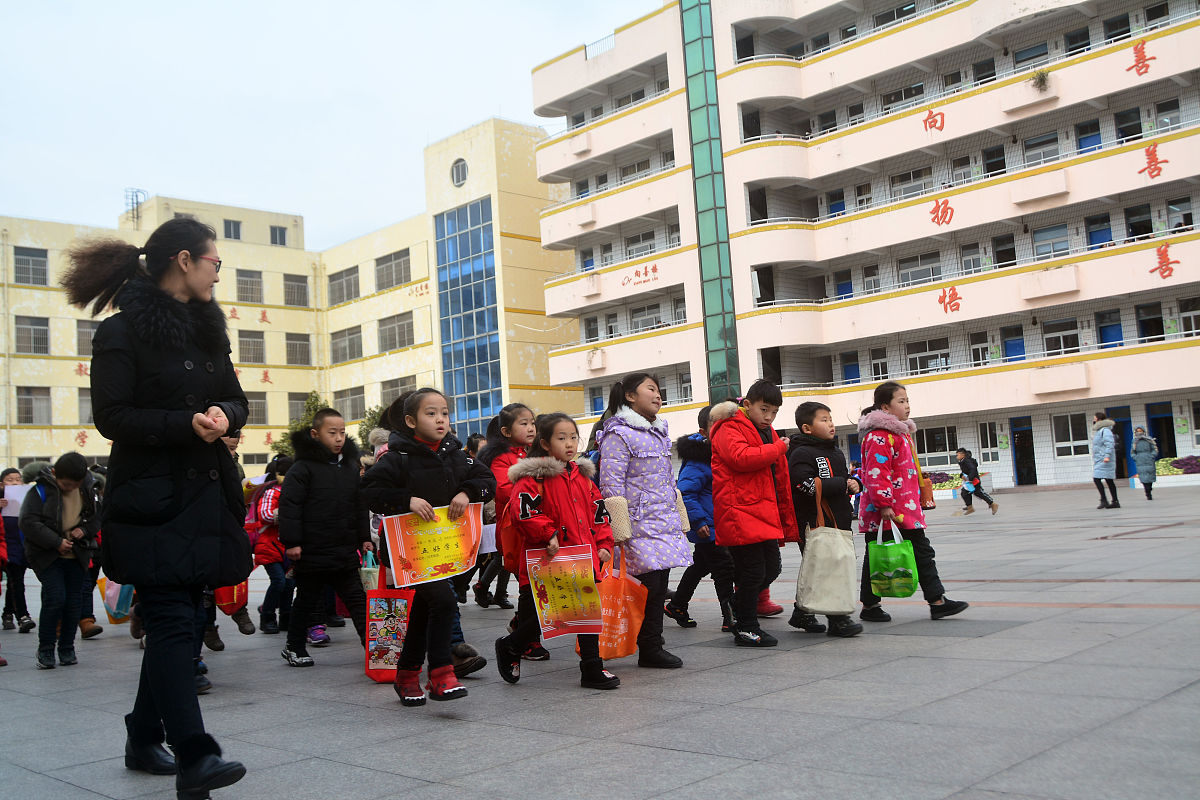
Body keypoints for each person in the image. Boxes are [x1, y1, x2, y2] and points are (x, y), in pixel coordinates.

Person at [64, 217, 248, 795]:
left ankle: (144, 736)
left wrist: (224, 415)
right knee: (171, 618)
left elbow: (236, 398)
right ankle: (196, 755)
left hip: (205, 494)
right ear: (185, 260)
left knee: (187, 620)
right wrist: (183, 424)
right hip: (152, 498)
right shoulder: (121, 332)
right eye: (215, 262)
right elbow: (111, 417)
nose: (218, 274)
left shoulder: (209, 331)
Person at [362, 388, 496, 706]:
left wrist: (466, 492)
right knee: (444, 602)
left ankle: (407, 676)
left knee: (424, 612)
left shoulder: (457, 455)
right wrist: (405, 500)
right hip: (409, 554)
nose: (440, 420)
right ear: (411, 421)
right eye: (431, 413)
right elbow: (368, 491)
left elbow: (487, 481)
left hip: (444, 550)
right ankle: (441, 674)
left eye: (444, 413)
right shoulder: (397, 458)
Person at [494, 413, 619, 689]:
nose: (570, 443)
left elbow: (599, 513)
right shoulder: (533, 477)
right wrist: (547, 532)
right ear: (545, 443)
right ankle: (513, 645)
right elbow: (523, 512)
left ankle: (590, 668)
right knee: (554, 614)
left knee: (582, 612)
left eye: (573, 437)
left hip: (582, 554)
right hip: (550, 557)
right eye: (561, 438)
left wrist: (604, 543)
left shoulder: (582, 477)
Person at [597, 373, 692, 668]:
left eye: (659, 390)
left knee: (659, 584)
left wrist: (677, 512)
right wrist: (619, 527)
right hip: (637, 524)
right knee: (647, 586)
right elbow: (610, 484)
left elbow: (666, 479)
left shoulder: (658, 431)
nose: (658, 394)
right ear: (630, 396)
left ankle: (651, 644)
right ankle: (649, 647)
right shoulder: (618, 433)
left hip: (661, 520)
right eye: (650, 389)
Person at [858, 381, 968, 622]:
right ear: (885, 407)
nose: (907, 405)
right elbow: (876, 474)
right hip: (887, 512)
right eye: (901, 401)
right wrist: (884, 504)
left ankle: (931, 602)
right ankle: (932, 602)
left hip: (905, 509)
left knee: (913, 553)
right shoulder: (879, 437)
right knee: (880, 556)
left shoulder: (901, 434)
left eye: (907, 400)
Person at [278, 409, 372, 667]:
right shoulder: (302, 468)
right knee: (307, 601)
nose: (339, 438)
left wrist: (364, 537)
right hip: (313, 550)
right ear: (315, 434)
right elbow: (290, 506)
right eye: (332, 433)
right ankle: (294, 647)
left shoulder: (350, 467)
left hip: (343, 549)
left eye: (342, 432)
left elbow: (359, 505)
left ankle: (375, 651)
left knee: (357, 601)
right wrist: (292, 542)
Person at [710, 381, 798, 647]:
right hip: (739, 510)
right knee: (753, 571)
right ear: (747, 405)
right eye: (764, 409)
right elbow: (741, 457)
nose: (769, 416)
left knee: (771, 568)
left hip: (760, 509)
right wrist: (778, 448)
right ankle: (747, 627)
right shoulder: (728, 426)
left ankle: (736, 607)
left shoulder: (764, 430)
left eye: (774, 412)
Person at [786, 402, 864, 638]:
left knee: (820, 568)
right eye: (824, 420)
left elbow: (843, 479)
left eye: (831, 419)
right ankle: (838, 620)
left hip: (839, 520)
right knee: (828, 569)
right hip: (813, 523)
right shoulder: (801, 453)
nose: (831, 424)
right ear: (807, 428)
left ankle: (802, 612)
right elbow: (804, 485)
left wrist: (854, 483)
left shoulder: (835, 452)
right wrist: (840, 484)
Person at [21, 453, 101, 668]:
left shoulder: (88, 488)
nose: (70, 488)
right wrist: (56, 542)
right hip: (47, 555)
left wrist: (84, 530)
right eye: (66, 484)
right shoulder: (40, 490)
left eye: (75, 485)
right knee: (55, 598)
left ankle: (67, 648)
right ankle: (46, 649)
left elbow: (97, 517)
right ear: (55, 473)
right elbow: (28, 522)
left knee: (74, 603)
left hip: (78, 553)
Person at [665, 405, 735, 632]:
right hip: (707, 525)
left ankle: (677, 605)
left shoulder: (720, 454)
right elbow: (685, 492)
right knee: (724, 568)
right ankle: (731, 617)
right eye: (717, 426)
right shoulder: (698, 459)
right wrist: (698, 521)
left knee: (701, 565)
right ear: (704, 431)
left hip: (719, 523)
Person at [473, 403, 536, 611]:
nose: (531, 428)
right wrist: (539, 493)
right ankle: (520, 626)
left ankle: (512, 610)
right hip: (513, 527)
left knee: (531, 583)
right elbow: (505, 490)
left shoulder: (531, 454)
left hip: (534, 526)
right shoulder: (501, 458)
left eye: (532, 423)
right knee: (525, 580)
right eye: (524, 424)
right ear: (506, 432)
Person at [251, 456, 294, 634]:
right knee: (279, 581)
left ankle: (285, 617)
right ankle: (267, 616)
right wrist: (289, 513)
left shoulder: (296, 491)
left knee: (289, 583)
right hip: (269, 546)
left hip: (288, 546)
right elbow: (265, 515)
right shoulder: (272, 492)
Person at [2, 468, 35, 634]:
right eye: (10, 480)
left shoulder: (26, 498)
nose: (15, 483)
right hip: (5, 546)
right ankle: (22, 616)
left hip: (20, 546)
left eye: (17, 479)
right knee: (15, 581)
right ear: (2, 484)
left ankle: (10, 614)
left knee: (15, 581)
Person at [955, 448, 999, 515]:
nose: (956, 457)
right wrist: (962, 475)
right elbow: (965, 471)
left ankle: (992, 504)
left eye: (957, 455)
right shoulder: (962, 461)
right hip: (969, 480)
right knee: (966, 493)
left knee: (977, 492)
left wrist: (970, 478)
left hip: (973, 480)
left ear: (962, 454)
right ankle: (970, 508)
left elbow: (973, 469)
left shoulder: (967, 461)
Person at [1092, 411, 1120, 509]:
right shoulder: (1099, 430)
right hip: (1100, 459)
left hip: (1105, 459)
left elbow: (1109, 443)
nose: (1093, 420)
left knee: (1097, 478)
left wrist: (1107, 455)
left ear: (1098, 419)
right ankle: (1113, 501)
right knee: (1108, 480)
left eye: (1094, 418)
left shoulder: (1105, 430)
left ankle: (1105, 500)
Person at [1132, 426, 1159, 500]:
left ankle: (1149, 488)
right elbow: (1132, 451)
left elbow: (1154, 449)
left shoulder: (1149, 440)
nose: (1139, 432)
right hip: (1140, 461)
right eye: (1138, 431)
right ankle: (1147, 492)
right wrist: (1135, 457)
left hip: (1149, 460)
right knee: (1143, 477)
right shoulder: (1134, 441)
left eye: (1140, 431)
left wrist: (1152, 456)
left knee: (1150, 476)